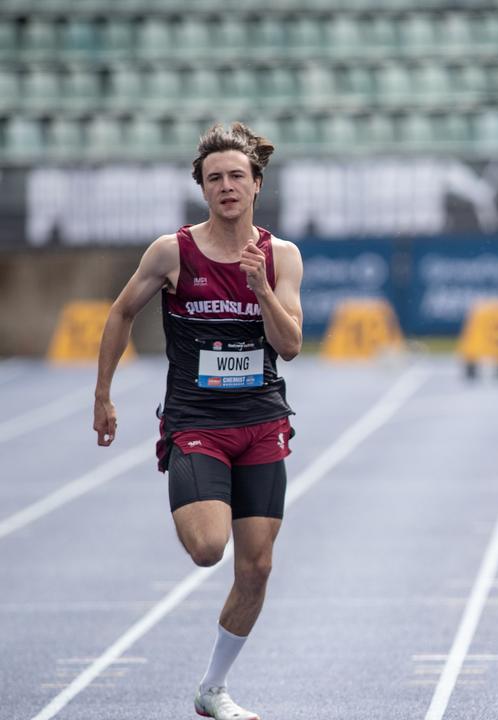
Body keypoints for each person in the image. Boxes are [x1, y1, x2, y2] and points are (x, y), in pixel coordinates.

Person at [93, 123, 303, 720]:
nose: (227, 186)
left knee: (257, 566)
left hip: (262, 421)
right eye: (215, 178)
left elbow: (290, 346)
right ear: (203, 189)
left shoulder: (281, 256)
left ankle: (213, 689)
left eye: (238, 176)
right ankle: (191, 488)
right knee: (209, 548)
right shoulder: (172, 251)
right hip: (197, 422)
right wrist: (103, 396)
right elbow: (119, 314)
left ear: (257, 184)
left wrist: (261, 289)